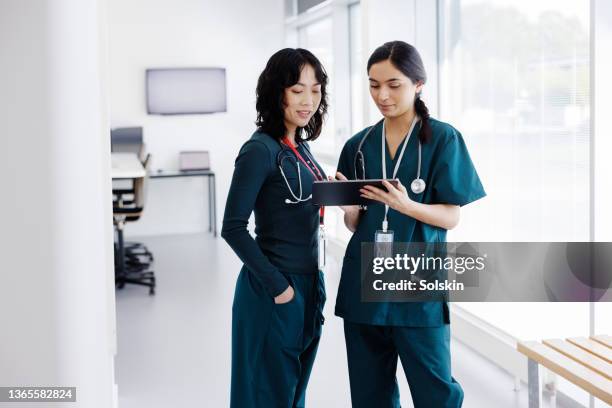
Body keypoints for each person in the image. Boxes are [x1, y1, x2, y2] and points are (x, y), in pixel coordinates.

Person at [334, 41, 486, 408]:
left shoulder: (443, 139)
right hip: (365, 288)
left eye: (393, 84)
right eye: (373, 85)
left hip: (417, 284)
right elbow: (359, 224)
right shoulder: (358, 146)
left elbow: (451, 215)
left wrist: (407, 205)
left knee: (436, 393)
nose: (382, 95)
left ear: (418, 84)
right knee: (370, 395)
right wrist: (350, 209)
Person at [221, 48, 328, 408]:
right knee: (268, 393)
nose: (308, 100)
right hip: (275, 287)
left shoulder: (301, 146)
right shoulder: (259, 150)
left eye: (315, 90)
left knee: (293, 390)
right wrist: (279, 287)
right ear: (276, 92)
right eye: (297, 90)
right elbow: (233, 227)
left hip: (310, 282)